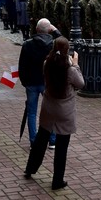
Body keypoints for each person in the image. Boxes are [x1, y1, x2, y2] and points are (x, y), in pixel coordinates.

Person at [23, 37, 85, 190]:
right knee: (61, 147)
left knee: (40, 140)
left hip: (49, 107)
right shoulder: (70, 70)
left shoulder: (47, 63)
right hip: (65, 111)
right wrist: (75, 64)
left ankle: (30, 168)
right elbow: (81, 83)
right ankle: (57, 180)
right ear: (67, 51)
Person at [18, 18, 60, 145]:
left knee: (31, 112)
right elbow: (65, 43)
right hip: (47, 82)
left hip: (31, 82)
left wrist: (24, 81)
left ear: (36, 29)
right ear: (49, 30)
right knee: (51, 110)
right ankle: (52, 140)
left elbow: (22, 65)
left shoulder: (28, 44)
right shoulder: (53, 44)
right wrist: (55, 31)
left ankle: (34, 141)